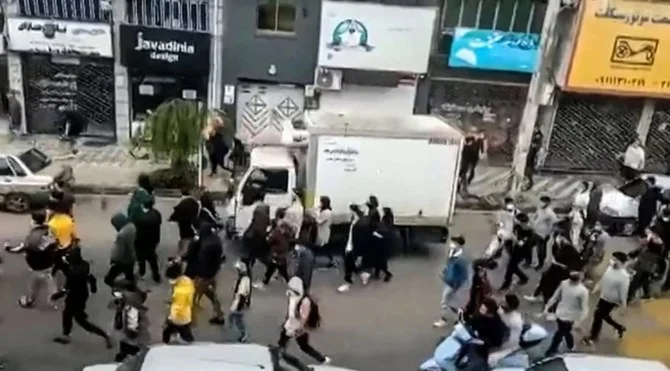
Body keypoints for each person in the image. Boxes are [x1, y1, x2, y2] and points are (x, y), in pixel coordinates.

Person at [52, 247, 112, 347]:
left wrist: (57, 296)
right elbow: (91, 278)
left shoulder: (72, 271)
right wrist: (93, 287)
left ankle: (104, 335)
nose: (68, 257)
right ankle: (66, 334)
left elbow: (69, 288)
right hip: (82, 295)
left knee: (79, 320)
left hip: (75, 296)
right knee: (68, 314)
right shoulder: (84, 265)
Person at [278, 277, 331, 366]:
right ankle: (279, 355)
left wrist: (294, 329)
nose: (289, 293)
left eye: (292, 290)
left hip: (299, 328)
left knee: (304, 346)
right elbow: (291, 312)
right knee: (283, 341)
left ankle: (322, 359)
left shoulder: (305, 302)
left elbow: (303, 319)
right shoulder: (294, 297)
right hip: (291, 324)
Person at [582, 252, 629, 346]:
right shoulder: (610, 268)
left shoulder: (624, 276)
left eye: (616, 260)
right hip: (603, 296)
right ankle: (619, 328)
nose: (613, 262)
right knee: (603, 315)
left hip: (612, 300)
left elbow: (624, 292)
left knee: (598, 315)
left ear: (622, 263)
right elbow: (603, 279)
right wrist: (597, 287)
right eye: (613, 259)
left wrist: (623, 305)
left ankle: (593, 336)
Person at [185, 223, 226, 325]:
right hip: (212, 273)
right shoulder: (215, 239)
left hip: (204, 276)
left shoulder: (206, 246)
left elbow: (203, 262)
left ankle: (188, 318)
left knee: (192, 296)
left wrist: (198, 275)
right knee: (212, 296)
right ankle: (220, 316)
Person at [525, 233, 582, 305]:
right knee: (544, 279)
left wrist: (557, 263)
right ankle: (536, 295)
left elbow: (571, 266)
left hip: (562, 271)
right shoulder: (558, 245)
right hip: (555, 267)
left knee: (552, 286)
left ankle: (547, 302)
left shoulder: (570, 249)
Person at [543, 271, 589, 356]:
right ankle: (571, 345)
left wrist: (579, 320)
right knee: (565, 331)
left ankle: (552, 349)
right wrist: (547, 307)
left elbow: (584, 307)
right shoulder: (564, 283)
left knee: (560, 332)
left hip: (571, 316)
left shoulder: (583, 291)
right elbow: (555, 296)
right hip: (561, 312)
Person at [17, 210, 57, 309]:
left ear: (33, 221)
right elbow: (53, 244)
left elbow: (27, 248)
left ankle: (30, 300)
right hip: (48, 263)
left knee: (33, 283)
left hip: (36, 265)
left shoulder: (33, 237)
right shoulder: (49, 230)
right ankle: (52, 300)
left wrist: (10, 248)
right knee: (49, 280)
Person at [434, 236, 469, 328]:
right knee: (451, 301)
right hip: (450, 281)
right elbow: (448, 264)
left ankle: (445, 319)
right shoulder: (452, 253)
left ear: (459, 245)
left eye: (454, 243)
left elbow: (463, 273)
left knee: (445, 301)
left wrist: (457, 283)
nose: (451, 244)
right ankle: (459, 319)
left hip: (454, 283)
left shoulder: (461, 258)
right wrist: (444, 272)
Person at [112, 284, 150, 362]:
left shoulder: (132, 309)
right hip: (132, 340)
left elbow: (131, 330)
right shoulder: (131, 305)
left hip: (132, 343)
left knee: (130, 359)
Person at [48, 199, 77, 291]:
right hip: (67, 246)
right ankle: (68, 284)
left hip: (56, 248)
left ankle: (52, 279)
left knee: (56, 264)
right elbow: (74, 234)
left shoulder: (51, 223)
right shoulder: (69, 220)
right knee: (65, 267)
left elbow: (51, 237)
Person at [337, 204, 368, 293]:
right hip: (349, 247)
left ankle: (347, 283)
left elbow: (360, 240)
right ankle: (362, 275)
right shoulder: (354, 222)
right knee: (351, 266)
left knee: (349, 266)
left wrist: (359, 254)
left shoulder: (360, 224)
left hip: (353, 248)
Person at [163, 260, 196, 343]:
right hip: (186, 314)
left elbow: (178, 308)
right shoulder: (187, 280)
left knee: (168, 331)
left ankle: (166, 343)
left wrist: (171, 318)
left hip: (179, 318)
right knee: (184, 331)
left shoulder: (180, 292)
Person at [627, 230, 664, 303]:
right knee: (644, 280)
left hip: (641, 268)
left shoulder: (647, 249)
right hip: (649, 269)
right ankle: (646, 294)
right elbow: (661, 262)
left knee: (635, 282)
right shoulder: (658, 250)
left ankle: (629, 297)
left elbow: (635, 252)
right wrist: (659, 272)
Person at [257, 212, 292, 289]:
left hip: (276, 254)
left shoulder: (277, 232)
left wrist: (268, 234)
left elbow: (268, 240)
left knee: (272, 267)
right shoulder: (288, 233)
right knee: (282, 268)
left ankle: (265, 281)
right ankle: (288, 281)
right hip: (283, 253)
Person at [241, 192, 271, 277]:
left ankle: (248, 271)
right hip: (261, 235)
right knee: (258, 255)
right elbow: (267, 222)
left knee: (254, 254)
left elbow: (253, 222)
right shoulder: (266, 207)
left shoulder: (256, 209)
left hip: (255, 235)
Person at [105, 213, 137, 288]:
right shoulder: (132, 227)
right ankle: (132, 291)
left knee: (108, 279)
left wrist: (113, 260)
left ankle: (120, 292)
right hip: (131, 258)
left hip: (123, 261)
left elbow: (119, 252)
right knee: (129, 277)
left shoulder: (122, 235)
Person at [500, 214, 531, 291]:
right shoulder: (517, 227)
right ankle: (523, 278)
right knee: (512, 266)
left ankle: (506, 284)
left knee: (510, 267)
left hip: (522, 252)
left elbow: (523, 243)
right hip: (514, 249)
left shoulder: (529, 232)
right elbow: (512, 235)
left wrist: (515, 240)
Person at [134, 198, 162, 283]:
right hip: (152, 241)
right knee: (152, 259)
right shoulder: (157, 214)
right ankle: (156, 276)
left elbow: (137, 230)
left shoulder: (140, 216)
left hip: (140, 242)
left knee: (141, 259)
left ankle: (142, 272)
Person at [528, 196, 558, 270]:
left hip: (543, 234)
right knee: (529, 245)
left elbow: (555, 223)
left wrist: (551, 234)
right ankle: (528, 261)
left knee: (540, 251)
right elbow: (535, 216)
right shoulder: (540, 210)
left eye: (543, 202)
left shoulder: (550, 213)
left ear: (548, 203)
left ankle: (540, 264)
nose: (541, 203)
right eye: (541, 201)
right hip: (536, 231)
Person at [169, 187, 200, 256]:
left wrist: (172, 218)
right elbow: (194, 219)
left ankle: (180, 257)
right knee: (186, 249)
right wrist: (197, 228)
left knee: (183, 240)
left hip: (183, 227)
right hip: (189, 230)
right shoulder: (195, 205)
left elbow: (176, 210)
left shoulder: (184, 201)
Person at [229, 260, 252, 343]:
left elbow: (242, 294)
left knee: (237, 319)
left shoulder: (245, 279)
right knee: (236, 319)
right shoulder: (242, 278)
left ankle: (244, 334)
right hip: (237, 301)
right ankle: (241, 334)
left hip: (239, 303)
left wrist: (239, 307)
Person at [459, 127, 485, 192]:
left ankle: (466, 184)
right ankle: (461, 183)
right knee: (464, 170)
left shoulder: (480, 141)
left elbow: (482, 150)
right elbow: (464, 144)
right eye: (481, 134)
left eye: (483, 135)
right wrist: (467, 144)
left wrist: (481, 155)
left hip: (474, 158)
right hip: (467, 157)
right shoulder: (470, 138)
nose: (482, 136)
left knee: (471, 172)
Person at [373, 207, 395, 281]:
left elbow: (383, 229)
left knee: (380, 259)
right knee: (380, 259)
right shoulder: (389, 219)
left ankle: (386, 274)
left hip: (382, 242)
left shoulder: (386, 219)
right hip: (384, 242)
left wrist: (377, 233)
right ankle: (377, 274)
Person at [315, 196, 335, 268]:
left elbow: (319, 221)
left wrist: (316, 214)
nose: (319, 203)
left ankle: (332, 261)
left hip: (324, 232)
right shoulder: (324, 211)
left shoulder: (327, 213)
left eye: (321, 202)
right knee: (320, 247)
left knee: (324, 247)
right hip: (321, 231)